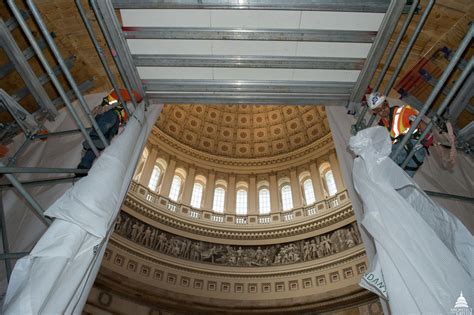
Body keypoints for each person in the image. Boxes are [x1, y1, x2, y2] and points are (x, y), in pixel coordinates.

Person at [77, 89, 142, 174]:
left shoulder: (128, 107)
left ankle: (84, 166)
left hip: (115, 123)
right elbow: (107, 103)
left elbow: (124, 118)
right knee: (102, 130)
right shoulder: (120, 93)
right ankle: (91, 141)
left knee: (101, 143)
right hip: (108, 114)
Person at [366, 92, 430, 177]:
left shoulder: (402, 112)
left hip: (413, 148)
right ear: (374, 112)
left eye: (384, 106)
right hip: (402, 154)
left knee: (386, 170)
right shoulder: (382, 126)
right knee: (398, 181)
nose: (383, 110)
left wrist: (430, 141)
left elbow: (424, 126)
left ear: (387, 102)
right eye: (378, 110)